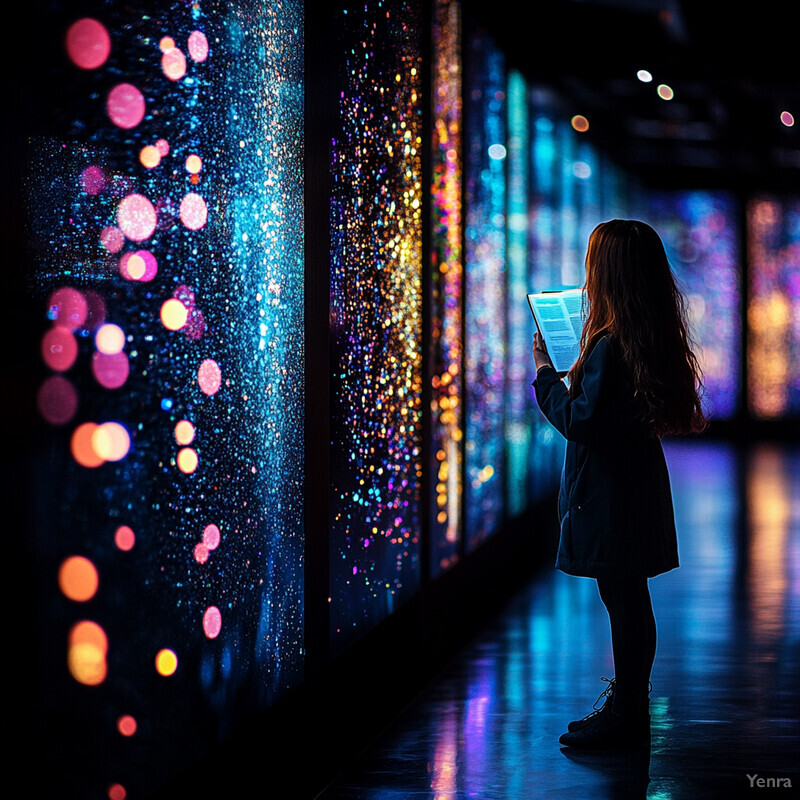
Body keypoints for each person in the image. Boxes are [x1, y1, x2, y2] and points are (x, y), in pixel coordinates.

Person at [532, 219, 706, 749]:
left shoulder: (609, 343)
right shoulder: (644, 333)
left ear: (606, 272)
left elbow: (582, 422)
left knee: (622, 595)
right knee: (629, 594)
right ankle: (630, 702)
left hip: (610, 488)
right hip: (635, 480)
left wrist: (544, 375)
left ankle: (627, 708)